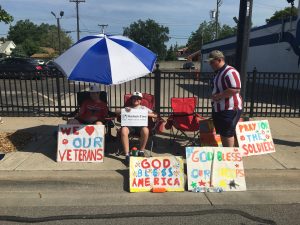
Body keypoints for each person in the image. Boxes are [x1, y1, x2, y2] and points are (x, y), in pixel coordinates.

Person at [205, 50, 242, 147]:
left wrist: (218, 96)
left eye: (212, 62)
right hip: (219, 108)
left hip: (229, 108)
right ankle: (227, 153)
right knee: (223, 132)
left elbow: (235, 89)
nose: (210, 64)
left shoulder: (230, 72)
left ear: (219, 60)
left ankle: (229, 156)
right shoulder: (218, 72)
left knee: (227, 133)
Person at [120, 91, 157, 165]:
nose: (136, 100)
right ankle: (127, 154)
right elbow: (117, 111)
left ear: (141, 100)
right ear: (131, 99)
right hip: (129, 127)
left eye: (138, 98)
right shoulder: (128, 108)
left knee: (146, 130)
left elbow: (155, 115)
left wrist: (145, 113)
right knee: (123, 130)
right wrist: (124, 111)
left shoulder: (143, 108)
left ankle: (141, 151)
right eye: (134, 98)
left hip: (140, 127)